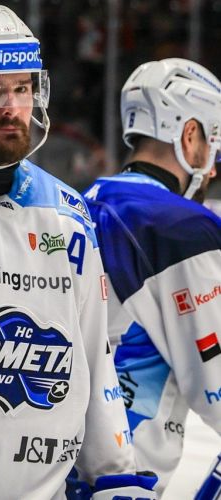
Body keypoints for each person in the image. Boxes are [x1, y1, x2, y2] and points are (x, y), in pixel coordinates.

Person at [0, 5, 157, 499]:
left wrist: (114, 473)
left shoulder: (67, 211)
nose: (11, 107)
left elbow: (93, 354)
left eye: (22, 88)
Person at [83, 58, 221, 496]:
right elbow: (216, 387)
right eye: (214, 147)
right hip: (127, 478)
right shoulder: (185, 228)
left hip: (57, 469)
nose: (213, 168)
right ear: (189, 134)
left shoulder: (74, 204)